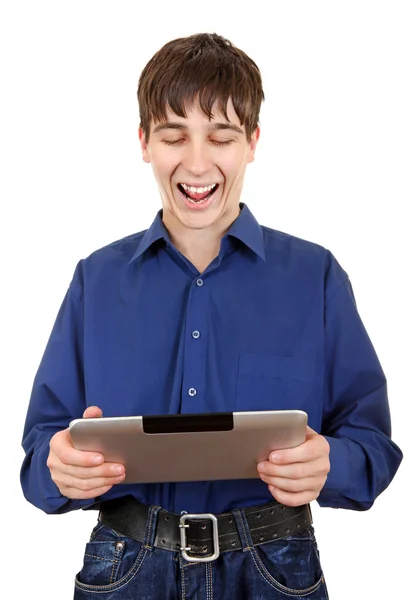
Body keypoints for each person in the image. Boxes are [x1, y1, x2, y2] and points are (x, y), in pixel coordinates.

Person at [21, 32, 403, 599]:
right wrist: (60, 469)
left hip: (275, 571)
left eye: (220, 137)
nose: (197, 163)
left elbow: (372, 444)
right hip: (125, 568)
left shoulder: (315, 277)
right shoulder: (94, 280)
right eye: (175, 136)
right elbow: (38, 456)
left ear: (251, 142)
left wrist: (331, 464)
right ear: (145, 141)